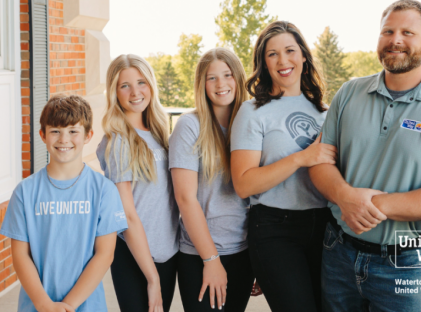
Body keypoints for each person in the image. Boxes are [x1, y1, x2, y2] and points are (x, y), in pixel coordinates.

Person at [310, 0, 421, 312]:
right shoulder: (348, 93)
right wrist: (344, 196)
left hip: (406, 263)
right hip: (337, 252)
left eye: (407, 32)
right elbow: (320, 161)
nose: (395, 40)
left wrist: (369, 205)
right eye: (387, 31)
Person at [230, 21, 337, 312]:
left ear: (303, 55)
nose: (283, 60)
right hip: (275, 230)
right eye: (272, 54)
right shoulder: (252, 112)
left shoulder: (326, 112)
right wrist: (301, 158)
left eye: (290, 50)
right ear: (263, 63)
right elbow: (243, 184)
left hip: (326, 227)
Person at [0, 95, 128, 312]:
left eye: (73, 131)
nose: (63, 139)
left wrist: (68, 306)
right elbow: (20, 255)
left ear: (88, 135)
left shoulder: (104, 190)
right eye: (55, 131)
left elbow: (105, 254)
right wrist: (44, 305)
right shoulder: (25, 192)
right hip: (36, 306)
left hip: (87, 306)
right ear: (43, 135)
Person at [170, 48, 255, 312]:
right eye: (211, 78)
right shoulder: (189, 126)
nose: (221, 84)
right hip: (200, 255)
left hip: (243, 252)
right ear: (202, 84)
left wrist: (259, 259)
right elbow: (185, 199)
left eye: (227, 75)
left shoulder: (252, 124)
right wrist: (211, 260)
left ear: (238, 78)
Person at [96, 54, 179, 312]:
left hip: (167, 252)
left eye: (141, 82)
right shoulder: (119, 141)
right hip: (136, 257)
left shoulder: (158, 135)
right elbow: (127, 214)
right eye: (125, 86)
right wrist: (152, 277)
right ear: (114, 92)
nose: (135, 92)